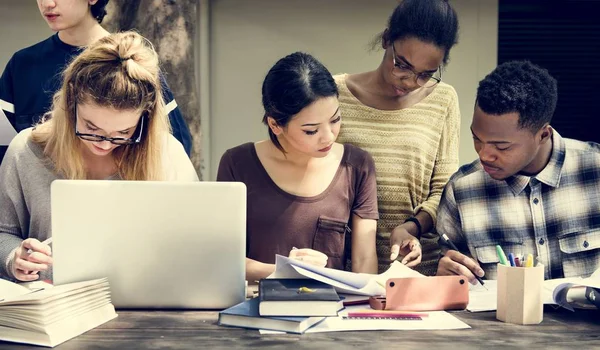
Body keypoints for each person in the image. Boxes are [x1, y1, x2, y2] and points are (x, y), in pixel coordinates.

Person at [0, 31, 199, 283]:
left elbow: (194, 240)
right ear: (70, 101)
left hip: (146, 305)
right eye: (91, 128)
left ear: (145, 118)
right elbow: (2, 233)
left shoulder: (166, 153)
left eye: (123, 133)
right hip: (53, 307)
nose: (105, 144)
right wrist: (13, 257)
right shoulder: (26, 150)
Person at [217, 52, 380, 282]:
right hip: (257, 308)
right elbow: (223, 259)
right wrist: (286, 269)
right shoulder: (237, 164)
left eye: (335, 120)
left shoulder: (357, 166)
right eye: (311, 130)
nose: (328, 137)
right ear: (275, 124)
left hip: (331, 312)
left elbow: (364, 262)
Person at [436, 60, 600, 283]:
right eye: (476, 138)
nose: (484, 154)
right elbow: (451, 282)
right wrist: (445, 277)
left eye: (501, 146)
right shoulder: (462, 190)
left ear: (543, 135)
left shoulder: (595, 171)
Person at [334, 0, 460, 273]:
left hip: (415, 268)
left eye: (425, 74)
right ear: (386, 39)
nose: (410, 81)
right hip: (343, 269)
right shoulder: (335, 93)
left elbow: (445, 191)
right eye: (402, 65)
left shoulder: (444, 100)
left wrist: (411, 227)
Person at [0, 0, 192, 163]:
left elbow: (177, 146)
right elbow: (3, 150)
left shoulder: (130, 61)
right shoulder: (23, 64)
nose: (48, 4)